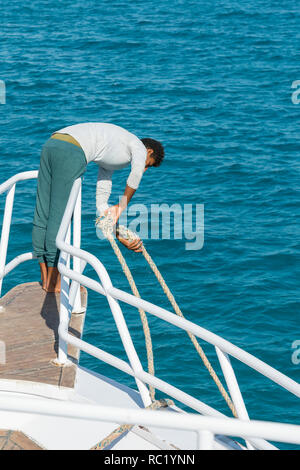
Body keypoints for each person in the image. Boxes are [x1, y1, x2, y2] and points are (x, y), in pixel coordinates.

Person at [32, 122, 165, 293]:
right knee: (59, 217)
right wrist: (122, 205)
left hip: (53, 142)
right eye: (148, 164)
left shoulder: (112, 153)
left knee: (43, 212)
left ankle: (46, 279)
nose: (145, 169)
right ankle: (53, 283)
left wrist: (119, 234)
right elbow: (136, 173)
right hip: (73, 151)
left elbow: (102, 204)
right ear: (149, 151)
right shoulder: (138, 146)